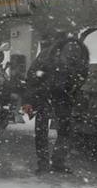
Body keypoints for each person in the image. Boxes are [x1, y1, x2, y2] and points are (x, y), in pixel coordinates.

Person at [25, 30, 90, 173]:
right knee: (43, 129)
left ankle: (56, 161)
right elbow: (32, 76)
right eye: (68, 57)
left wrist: (73, 89)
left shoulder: (81, 59)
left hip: (64, 96)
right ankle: (45, 163)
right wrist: (31, 99)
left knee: (64, 129)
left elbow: (82, 76)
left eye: (74, 58)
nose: (71, 60)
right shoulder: (47, 57)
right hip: (44, 94)